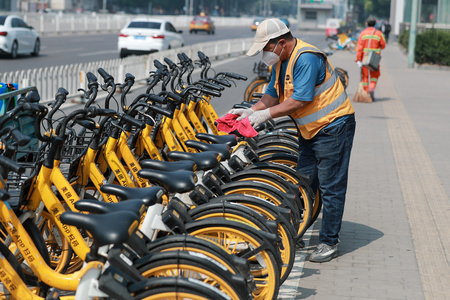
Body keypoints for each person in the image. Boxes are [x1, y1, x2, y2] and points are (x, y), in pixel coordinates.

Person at [230, 18, 356, 263]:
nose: (265, 55)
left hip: (334, 127)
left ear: (280, 43)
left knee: (331, 187)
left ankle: (329, 242)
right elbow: (271, 95)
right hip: (310, 130)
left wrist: (265, 115)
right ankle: (293, 232)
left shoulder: (306, 57)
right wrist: (250, 110)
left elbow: (300, 100)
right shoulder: (281, 60)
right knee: (303, 183)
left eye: (266, 49)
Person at [355, 17, 386, 101]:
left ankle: (365, 94)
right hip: (374, 59)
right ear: (375, 24)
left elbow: (359, 48)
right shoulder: (379, 33)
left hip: (364, 58)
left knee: (365, 77)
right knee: (374, 75)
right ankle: (371, 89)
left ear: (367, 24)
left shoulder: (362, 34)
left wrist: (358, 59)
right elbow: (383, 45)